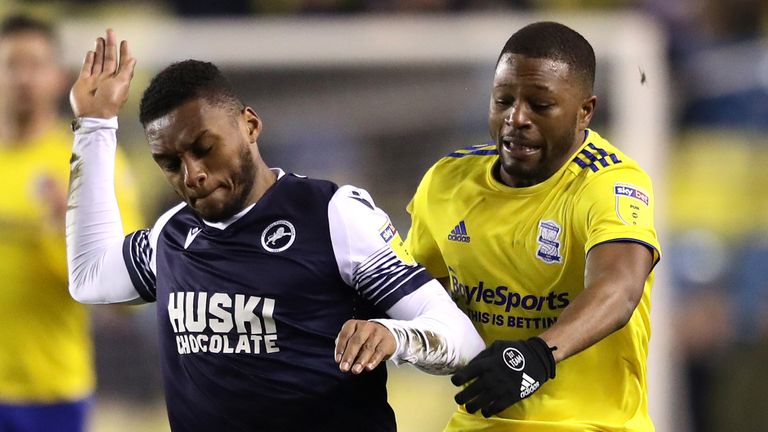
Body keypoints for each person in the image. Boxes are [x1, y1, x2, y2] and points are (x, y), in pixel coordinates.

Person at [65, 29, 485, 432]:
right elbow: (89, 278)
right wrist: (95, 127)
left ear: (250, 125)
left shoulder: (331, 215)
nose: (192, 174)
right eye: (170, 163)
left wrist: (394, 336)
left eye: (204, 148)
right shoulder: (172, 235)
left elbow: (464, 341)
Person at [405, 21, 661, 431]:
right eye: (503, 100)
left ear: (584, 112)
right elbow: (411, 292)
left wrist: (540, 354)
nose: (516, 118)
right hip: (479, 422)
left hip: (592, 424)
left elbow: (618, 288)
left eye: (540, 106)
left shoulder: (610, 183)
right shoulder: (446, 182)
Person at [0, 15, 142, 432]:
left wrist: (73, 226)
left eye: (35, 64)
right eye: (11, 64)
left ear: (59, 76)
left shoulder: (89, 164)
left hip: (51, 389)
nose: (23, 78)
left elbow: (126, 298)